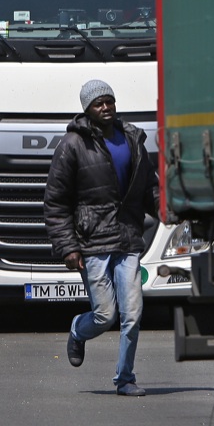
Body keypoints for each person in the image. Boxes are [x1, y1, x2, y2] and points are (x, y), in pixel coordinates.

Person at [44, 79, 159, 397]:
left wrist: (169, 212)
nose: (106, 107)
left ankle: (125, 378)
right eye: (98, 103)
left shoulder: (133, 138)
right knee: (105, 314)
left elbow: (150, 187)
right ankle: (78, 330)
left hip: (128, 239)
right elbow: (56, 201)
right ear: (87, 109)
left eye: (109, 101)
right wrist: (67, 246)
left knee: (132, 314)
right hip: (92, 243)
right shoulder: (72, 145)